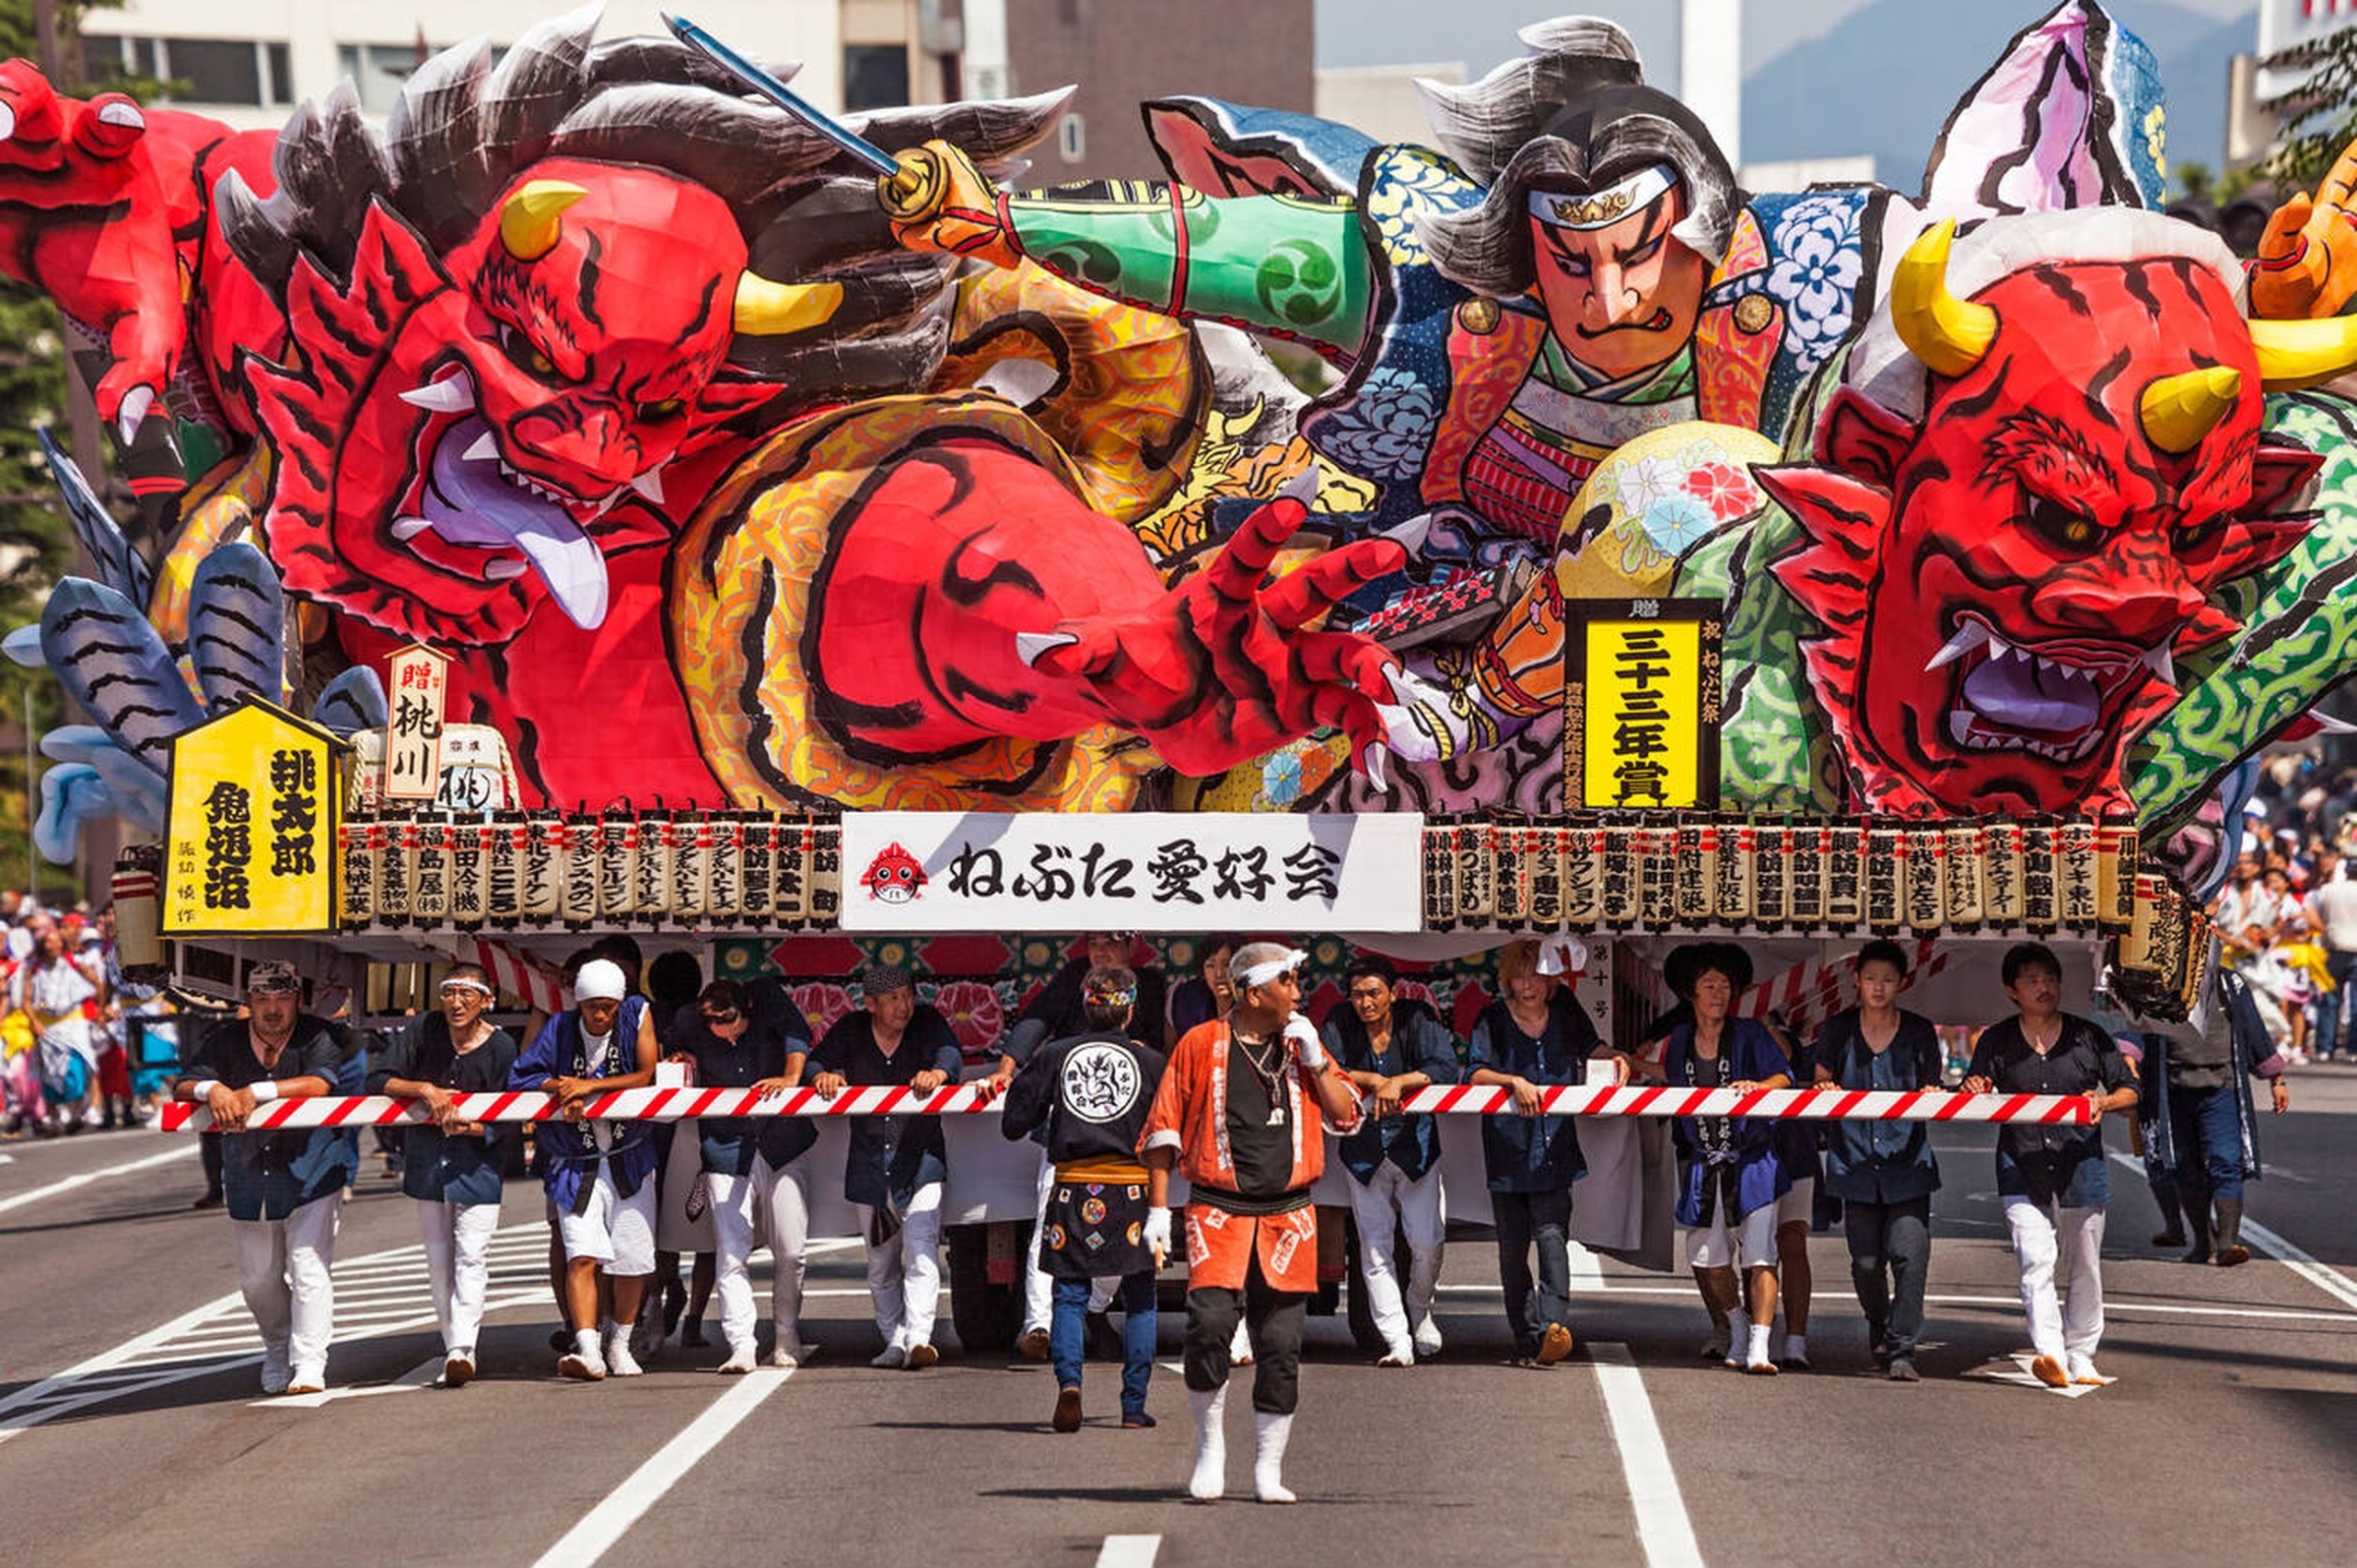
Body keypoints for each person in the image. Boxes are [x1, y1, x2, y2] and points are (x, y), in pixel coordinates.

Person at [1142, 942, 1361, 1504]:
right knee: (1210, 1327)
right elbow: (1163, 1126)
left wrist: (1316, 1060)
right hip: (1218, 1210)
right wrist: (1158, 1211)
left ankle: (1268, 1468)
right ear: (1253, 991)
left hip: (1290, 1215)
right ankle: (1211, 1448)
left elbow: (1346, 1113)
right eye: (1287, 981)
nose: (1297, 990)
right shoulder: (1200, 1044)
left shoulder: (1301, 1042)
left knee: (1281, 1343)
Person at [1001, 963, 1169, 1431]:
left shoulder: (1057, 1054)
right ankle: (1133, 1407)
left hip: (1074, 1186)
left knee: (1070, 1295)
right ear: (1130, 1011)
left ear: (1084, 1007)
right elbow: (1174, 1129)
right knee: (1140, 1298)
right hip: (1134, 1190)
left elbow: (1014, 1122)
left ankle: (1070, 1383)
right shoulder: (1152, 1062)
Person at [1962, 943, 2139, 1388]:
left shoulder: (2088, 1037)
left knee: (2085, 1262)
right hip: (2020, 1162)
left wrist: (2103, 1101)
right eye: (2032, 981)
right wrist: (1974, 1087)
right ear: (2011, 991)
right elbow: (1976, 1086)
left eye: (2050, 979)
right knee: (2035, 1257)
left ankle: (2083, 1353)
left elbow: (2131, 1091)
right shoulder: (1997, 1040)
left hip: (2081, 1163)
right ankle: (2051, 1352)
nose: (2043, 988)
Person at [170, 962, 350, 1395]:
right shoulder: (227, 1040)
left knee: (308, 1266)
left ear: (297, 1000)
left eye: (282, 999)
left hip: (313, 1166)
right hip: (250, 1168)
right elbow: (184, 1083)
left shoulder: (316, 1035)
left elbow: (320, 1083)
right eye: (263, 1000)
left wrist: (257, 1091)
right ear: (249, 1002)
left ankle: (309, 1362)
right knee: (257, 1277)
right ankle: (276, 1343)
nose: (273, 1010)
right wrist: (210, 1090)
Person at [1467, 937, 1627, 1367]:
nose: (1527, 985)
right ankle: (1526, 1338)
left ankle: (1553, 1327)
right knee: (1512, 1249)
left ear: (1550, 979)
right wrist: (1511, 1081)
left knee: (1554, 1238)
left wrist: (1618, 1060)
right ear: (1508, 981)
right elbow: (1473, 1071)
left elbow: (1593, 1049)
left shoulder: (1566, 1010)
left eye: (1535, 975)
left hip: (1556, 1146)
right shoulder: (1493, 1018)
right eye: (1519, 977)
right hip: (1507, 1148)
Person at [366, 964, 519, 1386]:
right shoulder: (424, 1029)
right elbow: (378, 1078)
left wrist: (474, 1128)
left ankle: (462, 1347)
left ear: (486, 1001)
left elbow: (512, 1113)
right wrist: (425, 1089)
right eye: (449, 993)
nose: (455, 1003)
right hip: (428, 1161)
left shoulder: (502, 1047)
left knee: (472, 1254)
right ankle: (454, 1342)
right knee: (438, 1260)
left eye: (466, 995)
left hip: (478, 1164)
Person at [807, 962, 965, 1369]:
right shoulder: (853, 1030)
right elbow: (813, 1062)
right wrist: (823, 1076)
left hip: (921, 1158)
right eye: (893, 999)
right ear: (871, 1004)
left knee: (922, 1247)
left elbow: (950, 1053)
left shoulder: (927, 1021)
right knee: (880, 1261)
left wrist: (938, 1073)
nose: (904, 1006)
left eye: (908, 996)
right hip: (871, 1164)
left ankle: (919, 1339)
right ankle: (892, 1338)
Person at [509, 957, 660, 1381]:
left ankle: (619, 1342)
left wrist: (590, 1086)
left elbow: (647, 1074)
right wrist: (559, 1086)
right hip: (575, 1163)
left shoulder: (636, 1015)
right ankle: (588, 1347)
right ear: (580, 1002)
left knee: (633, 1261)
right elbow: (520, 1075)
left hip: (629, 1156)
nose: (599, 1015)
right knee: (582, 1256)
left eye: (607, 1007)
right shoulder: (559, 1028)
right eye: (592, 1006)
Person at [670, 977, 819, 1371]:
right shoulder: (689, 1020)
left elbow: (798, 1034)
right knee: (731, 1249)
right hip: (725, 1144)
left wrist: (790, 1080)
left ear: (746, 1010)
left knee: (791, 1248)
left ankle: (788, 1335)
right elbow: (673, 1049)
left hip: (781, 1142)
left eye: (729, 1021)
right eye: (713, 1024)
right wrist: (681, 1057)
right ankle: (742, 1343)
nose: (722, 1030)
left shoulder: (768, 1000)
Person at [1810, 941, 1945, 1381]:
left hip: (1908, 1163)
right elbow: (1820, 1080)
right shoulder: (1838, 1028)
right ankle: (1879, 1323)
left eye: (1888, 979)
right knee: (1866, 1263)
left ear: (1901, 983)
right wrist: (1825, 1091)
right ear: (1857, 981)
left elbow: (1932, 1085)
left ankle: (1903, 1348)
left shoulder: (1919, 1030)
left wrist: (1931, 1094)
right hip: (1854, 1163)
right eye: (1871, 978)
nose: (1879, 987)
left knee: (1910, 1256)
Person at [1655, 947, 1792, 1374]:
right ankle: (1736, 1324)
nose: (1718, 994)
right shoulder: (1680, 1040)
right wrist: (1626, 1062)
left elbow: (1784, 1075)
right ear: (1690, 994)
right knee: (1712, 1261)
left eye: (1724, 986)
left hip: (1755, 1161)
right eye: (1709, 986)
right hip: (1704, 1162)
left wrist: (1759, 1086)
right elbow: (1671, 1079)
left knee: (1760, 1255)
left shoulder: (1750, 1032)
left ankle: (1760, 1346)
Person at [1325, 953, 1459, 1365]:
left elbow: (1446, 1066)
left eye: (1374, 994)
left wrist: (1400, 1081)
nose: (1365, 1003)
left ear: (1393, 993)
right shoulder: (1339, 1020)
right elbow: (1326, 1066)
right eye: (1358, 995)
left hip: (1414, 1146)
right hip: (1363, 1150)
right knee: (1374, 1246)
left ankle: (1419, 1306)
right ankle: (1397, 1338)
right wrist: (1373, 1081)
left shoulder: (1417, 1017)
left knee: (1426, 1241)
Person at [2128, 960, 2291, 1268]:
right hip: (2172, 1089)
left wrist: (2276, 1078)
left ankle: (2228, 1241)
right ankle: (2203, 1242)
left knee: (2226, 1159)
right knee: (2184, 1166)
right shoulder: (2153, 983)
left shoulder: (2230, 983)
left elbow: (2253, 1029)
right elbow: (2135, 1028)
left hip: (2222, 1087)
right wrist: (2128, 1062)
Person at [11, 923, 101, 1134]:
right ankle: (53, 1118)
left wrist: (100, 1009)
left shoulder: (74, 962)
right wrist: (35, 1022)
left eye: (56, 940)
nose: (53, 944)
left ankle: (76, 1111)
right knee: (48, 1073)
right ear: (42, 945)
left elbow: (98, 984)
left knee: (76, 1069)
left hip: (74, 1024)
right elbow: (26, 1000)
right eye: (48, 941)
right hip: (48, 1027)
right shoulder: (33, 969)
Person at [2304, 865, 2357, 1062]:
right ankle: (2354, 1049)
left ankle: (2325, 1047)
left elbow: (2314, 912)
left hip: (2334, 946)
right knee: (2356, 1002)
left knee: (2329, 1000)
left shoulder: (2329, 890)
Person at [1168, 935, 1242, 1040]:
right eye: (1210, 966)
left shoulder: (1254, 1002)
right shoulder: (1187, 998)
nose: (1219, 974)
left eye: (1227, 965)